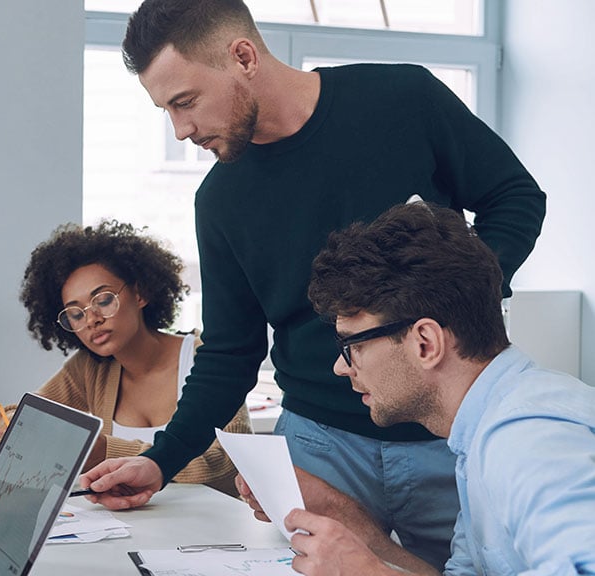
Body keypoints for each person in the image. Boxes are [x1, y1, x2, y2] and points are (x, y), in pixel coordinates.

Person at [80, 0, 545, 569]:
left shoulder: (403, 101)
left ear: (243, 56)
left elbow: (515, 198)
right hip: (318, 446)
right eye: (167, 111)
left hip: (444, 433)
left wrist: (464, 295)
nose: (182, 130)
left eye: (186, 102)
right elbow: (231, 352)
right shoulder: (220, 201)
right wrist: (161, 459)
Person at [273, 201, 594, 575]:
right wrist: (361, 537)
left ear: (425, 342)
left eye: (353, 346)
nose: (341, 367)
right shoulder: (477, 437)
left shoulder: (528, 438)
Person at [0, 221, 251, 496]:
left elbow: (230, 462)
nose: (92, 319)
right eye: (76, 313)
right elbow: (20, 412)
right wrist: (12, 424)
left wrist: (106, 451)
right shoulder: (88, 369)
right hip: (127, 527)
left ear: (140, 293)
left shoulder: (210, 359)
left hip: (214, 531)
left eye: (103, 300)